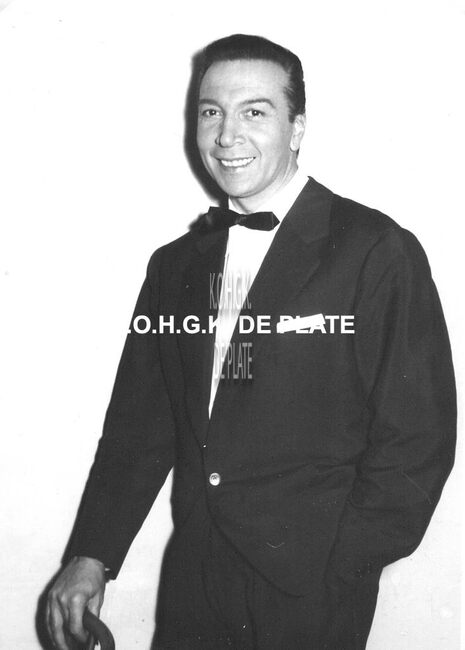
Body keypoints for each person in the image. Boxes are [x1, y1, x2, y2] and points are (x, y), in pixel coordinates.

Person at [46, 34, 456, 649]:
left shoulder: (376, 249)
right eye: (211, 111)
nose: (227, 135)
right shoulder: (175, 265)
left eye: (254, 111)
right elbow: (141, 424)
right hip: (194, 582)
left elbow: (419, 436)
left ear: (297, 128)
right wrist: (92, 554)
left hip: (311, 590)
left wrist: (342, 566)